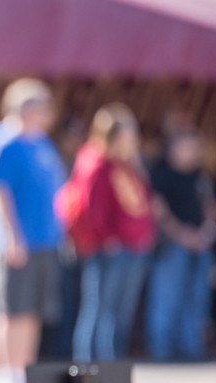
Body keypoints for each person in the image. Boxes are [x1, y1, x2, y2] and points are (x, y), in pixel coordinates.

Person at [0, 79, 65, 383]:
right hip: (12, 243)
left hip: (44, 241)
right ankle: (4, 375)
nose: (47, 115)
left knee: (32, 311)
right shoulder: (1, 143)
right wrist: (11, 236)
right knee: (8, 310)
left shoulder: (42, 143)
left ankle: (23, 372)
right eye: (42, 107)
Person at [58, 104, 154, 362]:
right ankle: (88, 368)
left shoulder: (125, 164)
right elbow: (92, 208)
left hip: (132, 247)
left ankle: (110, 372)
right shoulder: (95, 162)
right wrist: (107, 238)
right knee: (98, 311)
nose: (134, 138)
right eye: (128, 132)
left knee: (118, 314)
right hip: (108, 249)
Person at [144, 128, 216, 361]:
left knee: (197, 298)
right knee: (167, 298)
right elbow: (159, 211)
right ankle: (162, 351)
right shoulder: (162, 175)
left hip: (200, 244)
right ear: (174, 149)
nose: (194, 152)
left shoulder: (201, 175)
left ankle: (192, 349)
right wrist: (184, 236)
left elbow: (211, 206)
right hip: (172, 246)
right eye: (189, 147)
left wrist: (207, 233)